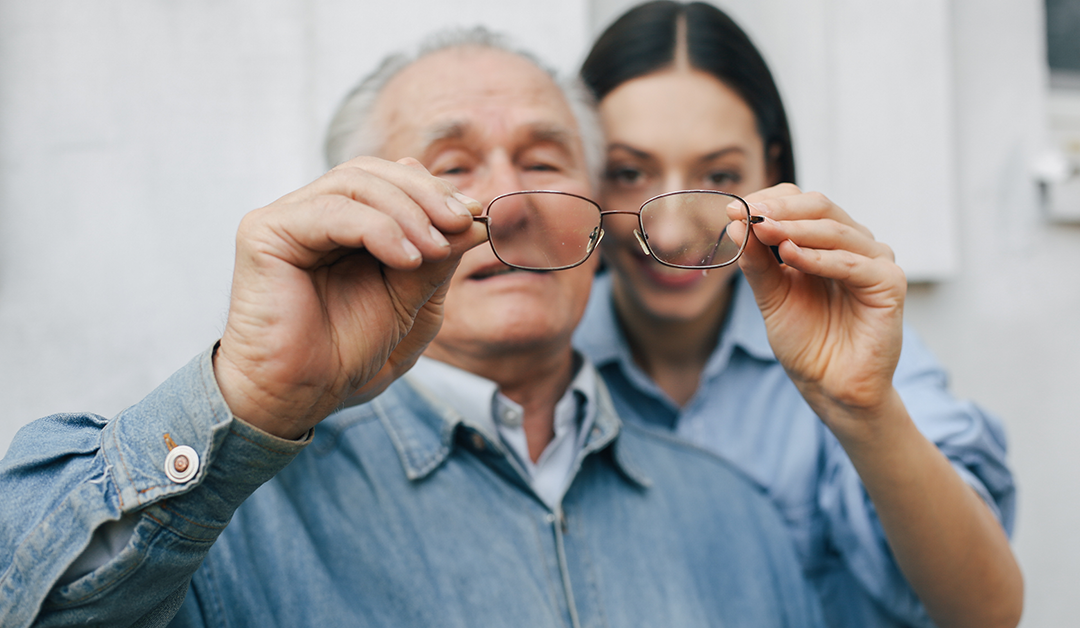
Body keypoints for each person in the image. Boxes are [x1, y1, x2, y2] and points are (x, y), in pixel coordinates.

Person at [0, 29, 830, 627]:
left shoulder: (738, 519)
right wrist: (246, 397)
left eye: (544, 162)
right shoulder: (221, 516)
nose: (507, 204)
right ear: (358, 216)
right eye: (451, 167)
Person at [572, 3, 1022, 628]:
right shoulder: (542, 356)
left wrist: (864, 411)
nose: (671, 231)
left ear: (772, 172)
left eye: (719, 174)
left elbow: (987, 611)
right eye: (628, 173)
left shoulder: (846, 341)